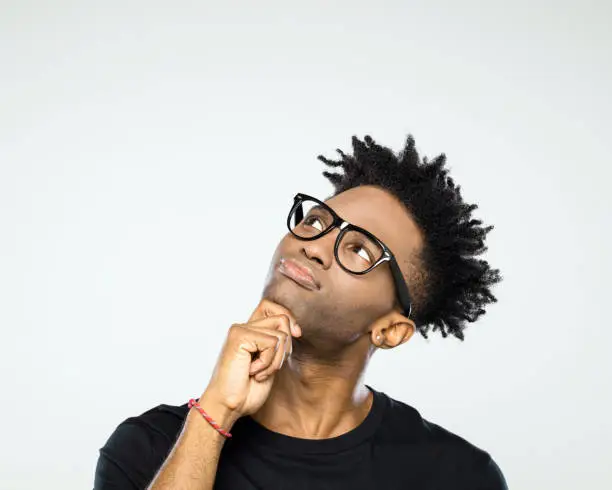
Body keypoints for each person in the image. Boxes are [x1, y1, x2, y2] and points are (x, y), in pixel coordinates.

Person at [93, 134, 507, 489]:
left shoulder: (456, 475)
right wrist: (216, 411)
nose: (314, 245)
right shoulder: (150, 448)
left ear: (390, 330)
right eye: (316, 222)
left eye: (359, 249)